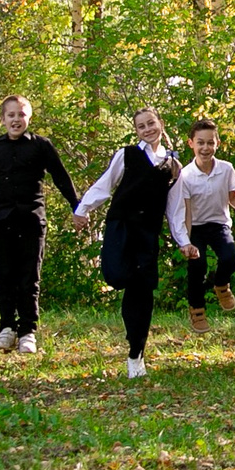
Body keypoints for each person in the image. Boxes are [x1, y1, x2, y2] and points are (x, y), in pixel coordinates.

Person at [73, 106, 179, 377]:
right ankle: (133, 340)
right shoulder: (127, 155)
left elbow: (175, 209)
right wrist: (83, 209)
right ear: (137, 131)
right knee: (117, 275)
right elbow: (104, 185)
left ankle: (136, 354)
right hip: (121, 226)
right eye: (142, 126)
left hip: (148, 234)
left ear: (160, 123)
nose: (148, 129)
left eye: (151, 123)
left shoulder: (172, 165)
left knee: (140, 291)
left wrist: (183, 240)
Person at [0, 94, 80, 356]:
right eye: (11, 115)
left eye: (21, 114)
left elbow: (60, 177)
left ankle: (27, 331)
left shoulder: (41, 146)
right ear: (2, 119)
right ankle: (6, 328)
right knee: (5, 275)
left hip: (32, 219)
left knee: (29, 276)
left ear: (29, 118)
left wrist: (77, 206)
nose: (16, 119)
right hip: (2, 219)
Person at [166, 118, 235, 334]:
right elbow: (185, 210)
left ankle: (221, 284)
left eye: (210, 143)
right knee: (198, 266)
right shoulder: (185, 175)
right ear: (191, 144)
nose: (205, 148)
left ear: (217, 144)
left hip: (219, 224)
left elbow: (233, 198)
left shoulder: (226, 169)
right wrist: (186, 241)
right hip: (196, 227)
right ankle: (197, 309)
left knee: (230, 258)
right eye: (200, 143)